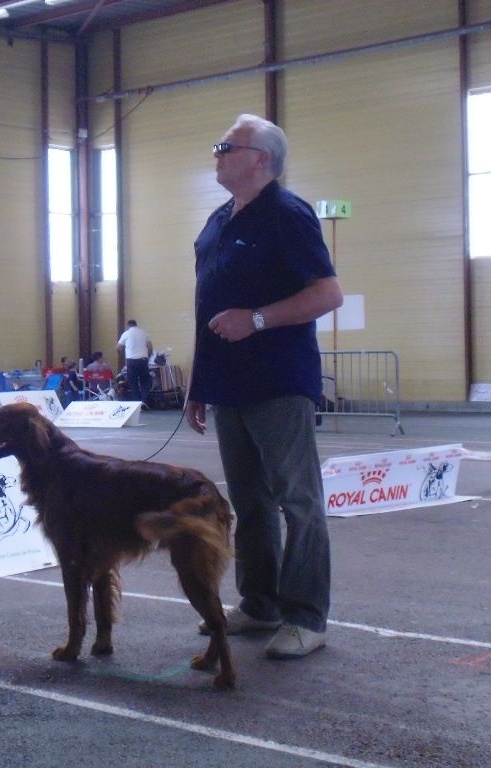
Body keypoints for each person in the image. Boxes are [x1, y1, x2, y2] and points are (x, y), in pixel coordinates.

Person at [186, 114, 343, 660]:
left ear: (260, 159)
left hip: (277, 381)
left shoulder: (288, 215)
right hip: (228, 383)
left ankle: (307, 617)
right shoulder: (218, 219)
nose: (217, 153)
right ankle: (259, 603)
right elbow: (208, 304)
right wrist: (199, 381)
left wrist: (255, 319)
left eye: (226, 146)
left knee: (298, 501)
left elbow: (327, 294)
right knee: (249, 502)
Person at [116, 320, 152, 403]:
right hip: (143, 360)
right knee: (145, 381)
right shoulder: (143, 333)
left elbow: (118, 347)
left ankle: (136, 402)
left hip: (131, 361)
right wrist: (148, 357)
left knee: (133, 382)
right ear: (136, 325)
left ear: (128, 326)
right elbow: (150, 347)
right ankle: (145, 401)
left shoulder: (126, 333)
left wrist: (121, 356)